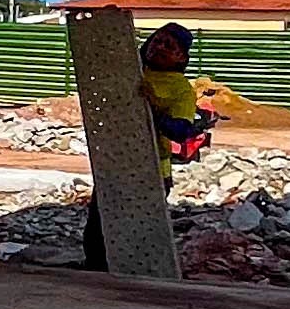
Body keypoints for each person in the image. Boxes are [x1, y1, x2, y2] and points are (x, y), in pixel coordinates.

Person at [86, 21, 221, 268]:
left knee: (134, 236)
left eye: (169, 46)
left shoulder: (181, 90)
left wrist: (151, 108)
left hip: (151, 170)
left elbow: (180, 132)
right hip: (115, 164)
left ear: (181, 57)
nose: (159, 47)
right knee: (98, 233)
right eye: (157, 41)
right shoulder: (132, 72)